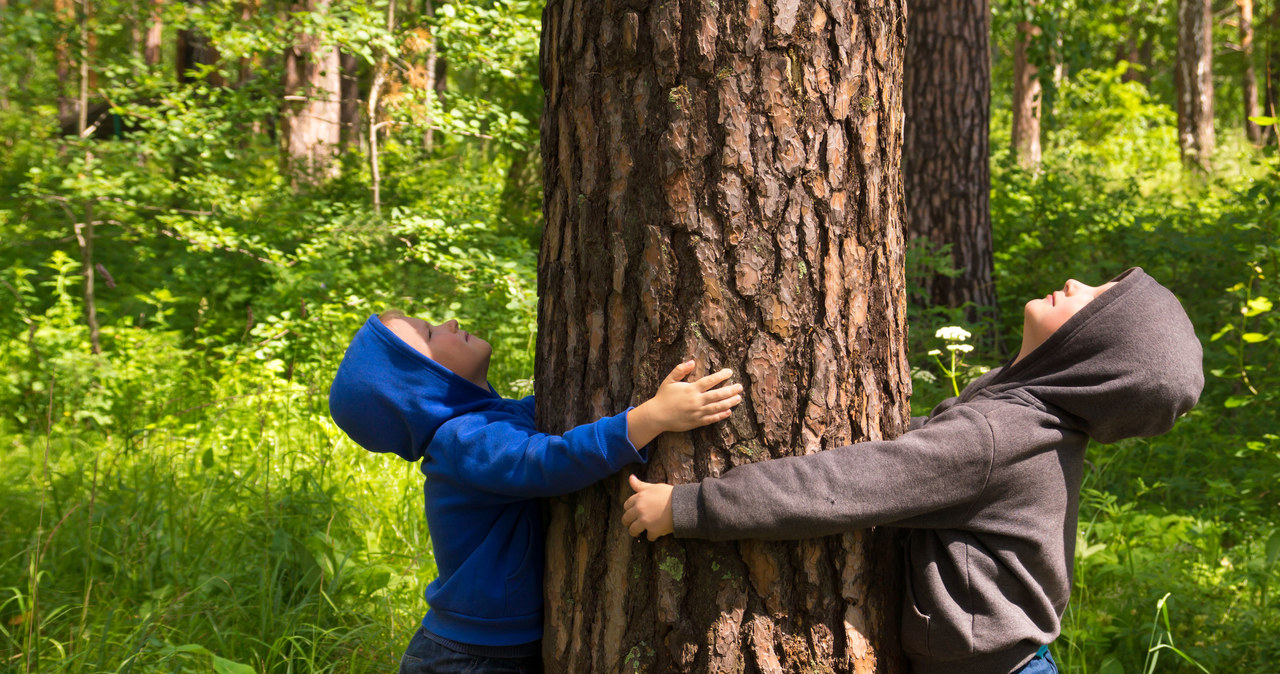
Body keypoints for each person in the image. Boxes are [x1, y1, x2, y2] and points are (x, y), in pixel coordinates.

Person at [621, 267, 1203, 674]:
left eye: (1096, 301)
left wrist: (687, 506)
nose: (1078, 283)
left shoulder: (997, 437)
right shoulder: (1019, 420)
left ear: (1091, 354)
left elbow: (842, 485)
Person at [328, 310, 743, 673]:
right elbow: (546, 461)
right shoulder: (464, 442)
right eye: (433, 335)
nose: (449, 323)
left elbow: (552, 427)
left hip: (485, 650)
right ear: (425, 386)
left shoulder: (486, 421)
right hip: (469, 658)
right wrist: (649, 419)